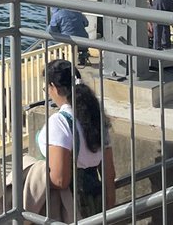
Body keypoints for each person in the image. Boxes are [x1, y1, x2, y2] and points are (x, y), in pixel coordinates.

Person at [23, 59, 116, 221]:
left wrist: (32, 173)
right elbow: (109, 173)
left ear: (54, 88)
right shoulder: (96, 118)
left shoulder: (59, 122)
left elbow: (61, 179)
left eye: (46, 89)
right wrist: (109, 207)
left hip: (68, 205)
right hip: (95, 200)